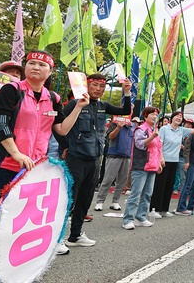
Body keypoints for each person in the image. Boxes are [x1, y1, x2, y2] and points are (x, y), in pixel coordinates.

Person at [0, 50, 89, 227]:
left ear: (50, 71)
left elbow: (61, 130)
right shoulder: (11, 90)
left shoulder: (52, 98)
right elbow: (0, 124)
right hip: (7, 165)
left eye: (42, 65)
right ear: (25, 67)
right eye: (32, 63)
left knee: (19, 219)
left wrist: (78, 108)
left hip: (35, 169)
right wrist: (17, 154)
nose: (36, 67)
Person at [61, 73, 132, 248]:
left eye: (102, 87)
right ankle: (58, 238)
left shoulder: (102, 106)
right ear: (86, 86)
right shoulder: (73, 104)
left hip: (95, 159)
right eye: (95, 85)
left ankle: (75, 235)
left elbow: (125, 111)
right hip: (75, 158)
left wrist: (128, 92)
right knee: (68, 199)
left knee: (85, 199)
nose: (98, 89)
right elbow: (59, 126)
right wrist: (64, 147)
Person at [122, 107, 163, 230]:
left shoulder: (153, 130)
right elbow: (140, 144)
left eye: (156, 114)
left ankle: (140, 216)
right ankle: (128, 219)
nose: (154, 116)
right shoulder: (141, 129)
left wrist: (159, 162)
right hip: (141, 165)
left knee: (147, 194)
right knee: (136, 193)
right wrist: (153, 136)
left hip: (151, 165)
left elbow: (157, 148)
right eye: (152, 114)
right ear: (145, 116)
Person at [149, 111, 192, 219]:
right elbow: (159, 144)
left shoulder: (181, 130)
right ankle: (154, 209)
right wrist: (161, 157)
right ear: (172, 118)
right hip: (164, 160)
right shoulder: (164, 129)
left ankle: (164, 209)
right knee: (160, 185)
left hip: (175, 161)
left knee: (169, 185)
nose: (178, 118)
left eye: (181, 117)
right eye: (177, 116)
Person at [94, 116, 135, 212]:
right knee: (108, 179)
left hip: (127, 156)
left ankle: (115, 201)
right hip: (114, 154)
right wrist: (118, 128)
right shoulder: (115, 123)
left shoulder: (132, 125)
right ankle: (100, 201)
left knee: (122, 180)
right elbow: (110, 137)